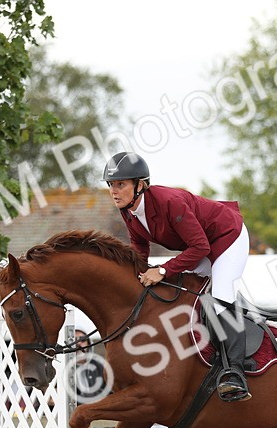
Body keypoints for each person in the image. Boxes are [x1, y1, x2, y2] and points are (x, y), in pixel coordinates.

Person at [102, 151, 253, 402]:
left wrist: (162, 270)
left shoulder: (168, 201)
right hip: (203, 245)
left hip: (228, 238)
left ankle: (236, 373)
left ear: (140, 185)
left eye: (120, 184)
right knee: (185, 292)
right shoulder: (128, 209)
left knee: (220, 298)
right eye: (111, 185)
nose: (114, 191)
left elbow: (200, 247)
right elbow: (139, 247)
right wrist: (132, 275)